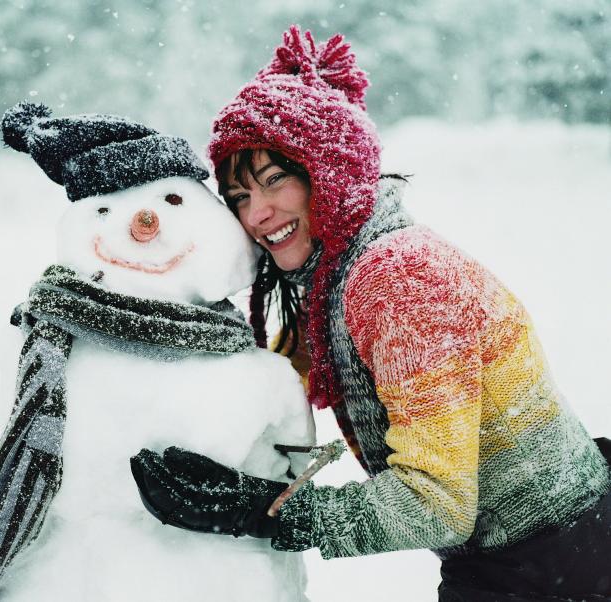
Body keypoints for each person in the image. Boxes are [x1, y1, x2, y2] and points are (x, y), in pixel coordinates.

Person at [130, 26, 611, 601]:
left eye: (274, 179)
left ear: (327, 171)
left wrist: (262, 510)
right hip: (532, 554)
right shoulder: (341, 273)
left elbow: (436, 504)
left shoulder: (398, 280)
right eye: (238, 198)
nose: (257, 214)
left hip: (555, 563)